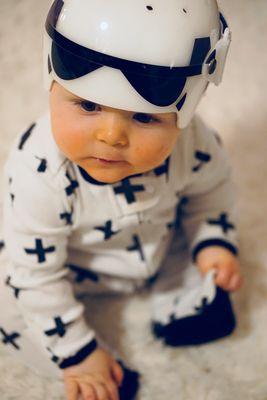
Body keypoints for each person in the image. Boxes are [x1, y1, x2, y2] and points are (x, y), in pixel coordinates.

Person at [0, 1, 243, 399]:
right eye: (89, 105)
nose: (112, 136)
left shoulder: (193, 143)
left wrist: (213, 243)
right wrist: (76, 352)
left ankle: (180, 304)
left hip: (157, 245)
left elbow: (211, 194)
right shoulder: (39, 171)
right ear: (51, 81)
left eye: (144, 117)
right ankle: (82, 357)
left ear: (186, 111)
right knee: (13, 290)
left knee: (199, 246)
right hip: (64, 266)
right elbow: (37, 274)